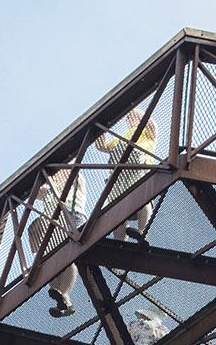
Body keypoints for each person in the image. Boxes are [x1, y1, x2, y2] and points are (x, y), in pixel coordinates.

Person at [28, 165, 87, 318]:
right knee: (53, 264)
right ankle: (62, 301)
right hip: (53, 223)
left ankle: (65, 294)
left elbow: (76, 179)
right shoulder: (48, 188)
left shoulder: (75, 178)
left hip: (71, 216)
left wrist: (57, 175)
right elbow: (34, 194)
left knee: (67, 260)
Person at [96, 103, 159, 240]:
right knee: (117, 210)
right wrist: (102, 129)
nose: (130, 120)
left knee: (144, 200)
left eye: (131, 118)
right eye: (128, 118)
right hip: (120, 174)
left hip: (138, 166)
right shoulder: (121, 138)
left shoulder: (147, 134)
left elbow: (152, 125)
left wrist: (131, 109)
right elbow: (103, 147)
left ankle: (143, 233)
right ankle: (120, 242)